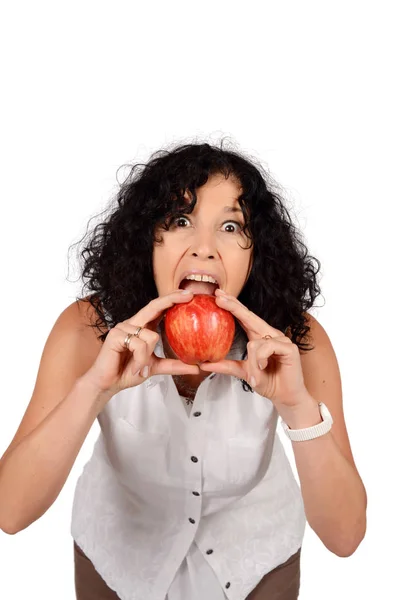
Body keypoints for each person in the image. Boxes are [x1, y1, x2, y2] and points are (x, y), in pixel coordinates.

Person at [0, 141, 367, 600]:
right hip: (119, 560)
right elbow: (10, 512)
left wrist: (297, 408)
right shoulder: (86, 330)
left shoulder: (294, 340)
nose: (204, 248)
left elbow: (346, 536)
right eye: (180, 221)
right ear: (147, 241)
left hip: (255, 559)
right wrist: (95, 387)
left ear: (255, 255)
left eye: (231, 226)